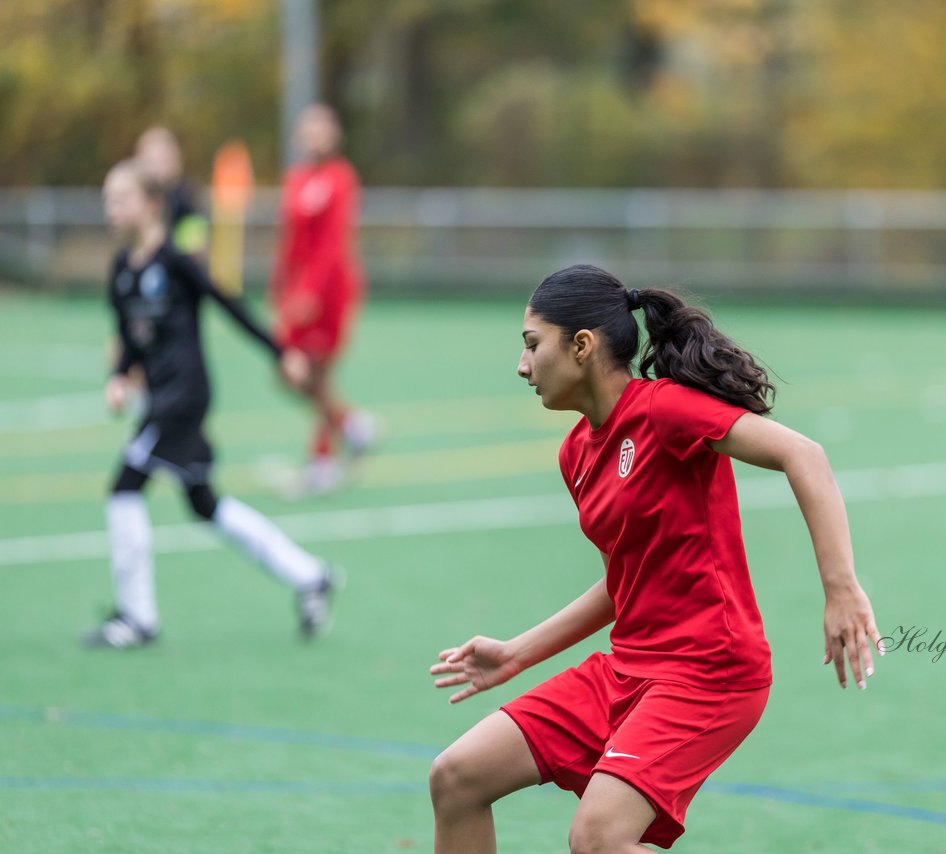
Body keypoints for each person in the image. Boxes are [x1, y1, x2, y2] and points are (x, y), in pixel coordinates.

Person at [428, 265, 883, 852]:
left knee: (597, 838)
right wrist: (517, 653)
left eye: (532, 345)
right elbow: (626, 582)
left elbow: (805, 456)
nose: (522, 366)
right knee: (457, 777)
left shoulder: (666, 410)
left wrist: (841, 588)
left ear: (582, 346)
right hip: (626, 671)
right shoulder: (576, 453)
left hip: (709, 672)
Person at [82, 159, 340, 650]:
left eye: (121, 199)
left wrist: (282, 352)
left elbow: (230, 305)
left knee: (124, 488)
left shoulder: (177, 262)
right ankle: (310, 576)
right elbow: (130, 341)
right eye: (106, 200)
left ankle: (138, 618)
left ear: (152, 205)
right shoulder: (121, 270)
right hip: (160, 399)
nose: (110, 209)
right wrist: (119, 377)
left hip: (184, 399)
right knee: (205, 503)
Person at [271, 103, 374, 496]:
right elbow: (290, 241)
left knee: (317, 373)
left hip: (329, 293)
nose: (314, 135)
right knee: (288, 371)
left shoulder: (340, 178)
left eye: (322, 128)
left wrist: (311, 293)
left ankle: (323, 460)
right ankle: (351, 427)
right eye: (308, 127)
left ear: (334, 135)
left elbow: (333, 244)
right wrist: (280, 285)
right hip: (298, 293)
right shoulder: (295, 179)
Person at [135, 126, 209, 257]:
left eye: (163, 160)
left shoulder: (185, 197)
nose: (157, 168)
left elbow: (195, 246)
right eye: (151, 160)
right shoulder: (137, 196)